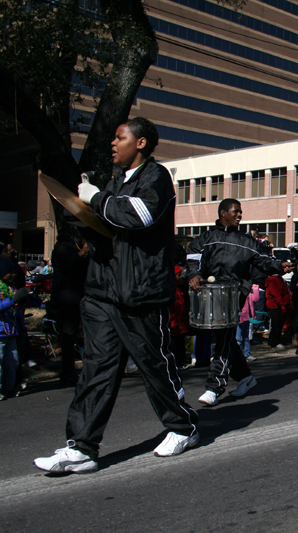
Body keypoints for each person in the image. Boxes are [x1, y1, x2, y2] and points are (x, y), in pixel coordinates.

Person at [35, 118, 199, 474]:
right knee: (95, 370)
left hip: (139, 293)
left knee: (154, 366)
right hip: (102, 292)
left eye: (119, 137)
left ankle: (182, 427)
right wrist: (82, 212)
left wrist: (97, 198)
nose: (112, 143)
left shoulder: (155, 178)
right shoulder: (115, 181)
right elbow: (106, 229)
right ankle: (81, 447)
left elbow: (138, 215)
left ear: (140, 143)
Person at [186, 199, 291, 407]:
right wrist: (195, 274)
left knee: (224, 336)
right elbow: (194, 258)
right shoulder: (206, 238)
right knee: (224, 339)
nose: (240, 215)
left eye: (241, 212)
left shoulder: (247, 241)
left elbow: (264, 260)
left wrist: (280, 266)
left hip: (235, 292)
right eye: (236, 211)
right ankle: (246, 378)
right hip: (209, 293)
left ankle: (214, 386)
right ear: (223, 213)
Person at [50, 231, 90, 385]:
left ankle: (75, 370)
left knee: (78, 334)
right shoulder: (63, 248)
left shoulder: (69, 248)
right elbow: (66, 267)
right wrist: (82, 253)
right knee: (69, 335)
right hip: (68, 300)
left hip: (76, 298)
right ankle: (68, 372)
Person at [0, 259, 28, 400]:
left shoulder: (11, 288)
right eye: (10, 272)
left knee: (12, 361)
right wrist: (12, 300)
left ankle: (8, 388)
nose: (13, 275)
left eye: (14, 272)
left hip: (11, 331)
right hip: (0, 333)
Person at [264, 271, 292, 349]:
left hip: (277, 305)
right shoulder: (275, 280)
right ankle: (274, 342)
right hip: (275, 306)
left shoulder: (278, 279)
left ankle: (274, 340)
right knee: (277, 324)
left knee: (278, 324)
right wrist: (282, 306)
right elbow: (277, 294)